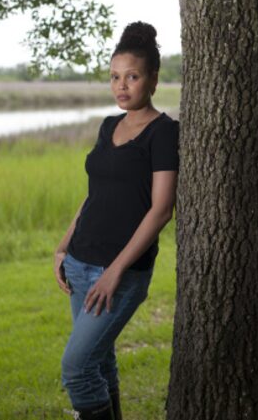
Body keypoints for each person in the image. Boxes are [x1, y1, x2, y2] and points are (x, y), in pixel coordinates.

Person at [53, 21, 179, 420]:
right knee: (100, 362)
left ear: (153, 80)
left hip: (120, 273)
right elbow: (95, 194)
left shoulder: (165, 133)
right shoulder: (109, 126)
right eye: (114, 77)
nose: (121, 85)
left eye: (132, 76)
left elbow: (161, 210)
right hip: (79, 261)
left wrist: (115, 271)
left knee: (77, 369)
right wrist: (62, 247)